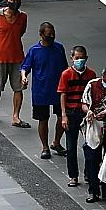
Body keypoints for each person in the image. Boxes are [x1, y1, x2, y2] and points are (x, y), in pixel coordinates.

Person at [21, 21, 67, 157]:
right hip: (41, 91)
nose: (51, 36)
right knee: (43, 119)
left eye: (53, 34)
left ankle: (56, 142)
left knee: (62, 116)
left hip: (58, 89)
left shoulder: (59, 48)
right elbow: (25, 67)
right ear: (41, 35)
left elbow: (65, 67)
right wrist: (24, 77)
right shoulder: (34, 50)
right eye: (48, 35)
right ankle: (45, 147)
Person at [81, 67, 106, 203]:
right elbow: (84, 103)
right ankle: (93, 190)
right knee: (92, 158)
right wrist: (89, 112)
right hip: (94, 126)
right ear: (102, 76)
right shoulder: (92, 85)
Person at [0, 0, 28, 127]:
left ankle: (16, 116)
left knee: (18, 88)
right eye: (13, 0)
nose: (16, 3)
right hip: (0, 57)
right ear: (7, 0)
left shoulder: (23, 17)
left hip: (17, 57)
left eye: (18, 0)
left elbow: (21, 32)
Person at [56, 45, 94, 187]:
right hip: (71, 113)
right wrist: (64, 115)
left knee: (89, 145)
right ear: (72, 58)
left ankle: (88, 174)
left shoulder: (91, 75)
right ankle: (73, 176)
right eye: (77, 58)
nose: (80, 61)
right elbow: (63, 95)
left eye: (82, 58)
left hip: (85, 114)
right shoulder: (66, 74)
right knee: (71, 147)